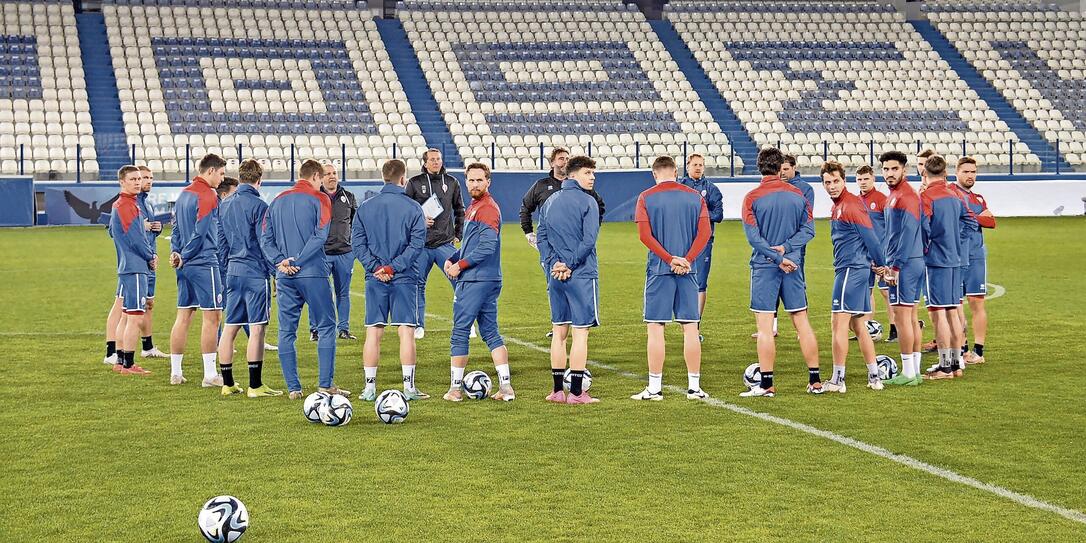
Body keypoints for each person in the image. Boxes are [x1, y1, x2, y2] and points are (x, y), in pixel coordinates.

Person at [739, 147, 821, 398]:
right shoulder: (798, 195)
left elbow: (754, 238)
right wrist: (786, 251)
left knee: (765, 327)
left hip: (765, 266)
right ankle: (815, 381)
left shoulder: (751, 197)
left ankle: (766, 385)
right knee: (802, 323)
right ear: (779, 167)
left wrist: (776, 256)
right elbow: (809, 231)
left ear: (760, 167)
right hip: (793, 265)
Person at [630, 156, 712, 401]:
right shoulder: (695, 196)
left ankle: (654, 388)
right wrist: (686, 259)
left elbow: (645, 235)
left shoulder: (646, 197)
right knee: (690, 327)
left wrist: (669, 259)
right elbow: (705, 232)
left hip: (659, 271)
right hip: (689, 271)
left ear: (654, 174)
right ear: (676, 171)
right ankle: (694, 387)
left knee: (656, 328)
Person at [260, 159, 343, 400]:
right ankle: (325, 385)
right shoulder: (321, 199)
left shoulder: (276, 201)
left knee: (287, 331)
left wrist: (281, 262)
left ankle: (294, 388)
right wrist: (296, 261)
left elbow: (266, 239)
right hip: (312, 272)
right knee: (327, 326)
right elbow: (320, 236)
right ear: (316, 177)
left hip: (284, 275)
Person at [353, 159, 429, 402]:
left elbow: (358, 243)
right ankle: (408, 387)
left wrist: (376, 267)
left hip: (375, 277)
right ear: (403, 178)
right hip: (404, 277)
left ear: (383, 177)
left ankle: (369, 388)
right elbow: (416, 245)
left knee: (373, 332)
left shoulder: (365, 207)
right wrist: (392, 267)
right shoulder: (414, 208)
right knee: (406, 331)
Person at [442, 163, 515, 402]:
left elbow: (486, 246)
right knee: (490, 332)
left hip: (476, 279)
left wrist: (460, 266)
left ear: (488, 182)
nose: (474, 184)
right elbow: (470, 244)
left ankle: (455, 389)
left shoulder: (487, 209)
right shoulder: (476, 206)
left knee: (460, 331)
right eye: (471, 180)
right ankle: (506, 388)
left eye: (479, 180)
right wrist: (453, 257)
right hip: (489, 277)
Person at [520, 147, 606, 338]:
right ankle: (564, 328)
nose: (564, 161)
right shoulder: (542, 186)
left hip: (561, 256)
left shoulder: (588, 195)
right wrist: (528, 232)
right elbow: (526, 208)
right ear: (552, 163)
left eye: (567, 158)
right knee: (576, 323)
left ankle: (561, 327)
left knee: (560, 290)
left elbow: (600, 208)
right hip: (559, 256)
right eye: (560, 158)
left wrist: (591, 225)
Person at [537, 155, 602, 405]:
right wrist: (570, 264)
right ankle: (576, 393)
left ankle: (556, 391)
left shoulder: (550, 201)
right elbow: (589, 240)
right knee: (580, 333)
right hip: (582, 274)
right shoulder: (588, 202)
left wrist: (554, 263)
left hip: (555, 276)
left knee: (558, 332)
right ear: (573, 175)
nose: (592, 177)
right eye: (588, 173)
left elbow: (541, 237)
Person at [820, 161, 888, 393]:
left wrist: (881, 265)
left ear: (844, 181)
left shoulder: (850, 205)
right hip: (856, 269)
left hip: (850, 270)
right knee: (859, 325)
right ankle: (874, 376)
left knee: (837, 323)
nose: (831, 186)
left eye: (836, 181)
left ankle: (838, 380)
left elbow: (872, 238)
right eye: (827, 182)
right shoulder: (839, 205)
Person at [216, 159, 281, 398]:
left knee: (230, 327)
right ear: (259, 179)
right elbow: (264, 243)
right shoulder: (260, 206)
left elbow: (221, 242)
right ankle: (255, 385)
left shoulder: (225, 203)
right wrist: (274, 273)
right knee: (257, 329)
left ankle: (228, 383)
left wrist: (227, 269)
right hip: (255, 272)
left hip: (233, 270)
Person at [168, 154, 226, 387]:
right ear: (210, 171)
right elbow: (201, 232)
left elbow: (176, 228)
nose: (222, 179)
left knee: (183, 315)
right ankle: (210, 375)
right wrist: (186, 255)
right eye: (221, 174)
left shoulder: (184, 194)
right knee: (212, 317)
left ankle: (176, 372)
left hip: (184, 264)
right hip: (203, 262)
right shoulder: (208, 194)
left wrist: (176, 253)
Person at [919, 155, 976, 380]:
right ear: (945, 174)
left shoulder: (926, 197)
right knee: (953, 310)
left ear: (925, 173)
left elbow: (923, 229)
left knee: (938, 312)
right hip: (955, 259)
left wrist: (931, 244)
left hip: (936, 261)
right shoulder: (955, 195)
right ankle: (955, 363)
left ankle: (945, 367)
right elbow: (971, 221)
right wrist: (955, 239)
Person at [405, 148, 465, 340]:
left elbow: (459, 209)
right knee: (417, 285)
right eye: (432, 160)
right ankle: (417, 325)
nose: (436, 162)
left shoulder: (452, 182)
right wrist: (420, 220)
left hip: (444, 243)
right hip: (420, 245)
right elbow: (405, 211)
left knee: (460, 281)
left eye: (438, 159)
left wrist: (458, 232)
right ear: (424, 163)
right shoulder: (414, 183)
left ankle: (466, 322)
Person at [753, 153, 815, 339]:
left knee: (797, 285)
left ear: (793, 168)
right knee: (770, 289)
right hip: (773, 250)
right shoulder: (767, 190)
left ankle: (801, 327)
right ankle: (772, 327)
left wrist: (787, 246)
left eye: (787, 169)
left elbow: (806, 223)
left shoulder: (804, 190)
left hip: (794, 248)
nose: (783, 172)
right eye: (782, 169)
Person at [880, 151, 925, 386]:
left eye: (894, 169)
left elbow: (907, 233)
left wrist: (895, 266)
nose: (889, 173)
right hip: (912, 261)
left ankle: (908, 373)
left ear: (904, 170)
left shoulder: (904, 196)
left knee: (901, 317)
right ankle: (914, 371)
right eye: (886, 169)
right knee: (911, 315)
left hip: (904, 263)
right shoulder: (897, 194)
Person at [108, 165, 158, 375]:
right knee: (136, 316)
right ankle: (128, 364)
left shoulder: (119, 204)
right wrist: (150, 256)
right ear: (122, 182)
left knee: (127, 316)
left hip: (126, 266)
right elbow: (136, 238)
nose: (138, 182)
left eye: (140, 179)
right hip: (136, 267)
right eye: (133, 179)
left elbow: (114, 232)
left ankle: (120, 361)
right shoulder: (128, 205)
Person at [952, 157, 995, 365]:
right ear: (957, 173)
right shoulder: (951, 192)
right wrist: (976, 216)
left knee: (976, 302)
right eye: (966, 172)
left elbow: (991, 221)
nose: (970, 176)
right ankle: (962, 348)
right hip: (956, 255)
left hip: (976, 255)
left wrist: (969, 216)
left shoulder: (977, 197)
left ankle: (978, 351)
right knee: (955, 303)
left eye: (973, 172)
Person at [308, 163, 358, 342]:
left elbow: (355, 224)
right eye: (327, 174)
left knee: (343, 293)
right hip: (321, 254)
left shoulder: (349, 197)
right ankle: (315, 329)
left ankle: (343, 329)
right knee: (318, 292)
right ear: (320, 177)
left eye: (334, 173)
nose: (332, 176)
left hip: (345, 253)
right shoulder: (314, 198)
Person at [678, 153, 723, 339]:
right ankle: (684, 324)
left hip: (704, 242)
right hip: (682, 241)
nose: (698, 168)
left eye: (701, 165)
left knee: (700, 283)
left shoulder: (711, 189)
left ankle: (695, 326)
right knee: (681, 281)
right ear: (687, 166)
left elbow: (718, 214)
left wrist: (699, 216)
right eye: (695, 164)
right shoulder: (680, 187)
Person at [855, 165, 895, 342]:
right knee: (866, 292)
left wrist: (884, 257)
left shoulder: (882, 200)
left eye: (866, 179)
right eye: (859, 179)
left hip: (884, 254)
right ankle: (867, 329)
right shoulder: (855, 201)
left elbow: (892, 228)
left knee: (887, 292)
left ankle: (895, 329)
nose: (863, 183)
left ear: (873, 180)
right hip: (864, 255)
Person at [135, 165, 167, 358]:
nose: (149, 181)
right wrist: (143, 225)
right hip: (138, 261)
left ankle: (148, 347)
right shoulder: (131, 203)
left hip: (150, 259)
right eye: (145, 177)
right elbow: (119, 230)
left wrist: (157, 228)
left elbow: (149, 231)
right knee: (131, 307)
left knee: (148, 303)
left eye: (151, 177)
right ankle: (117, 351)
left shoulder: (148, 203)